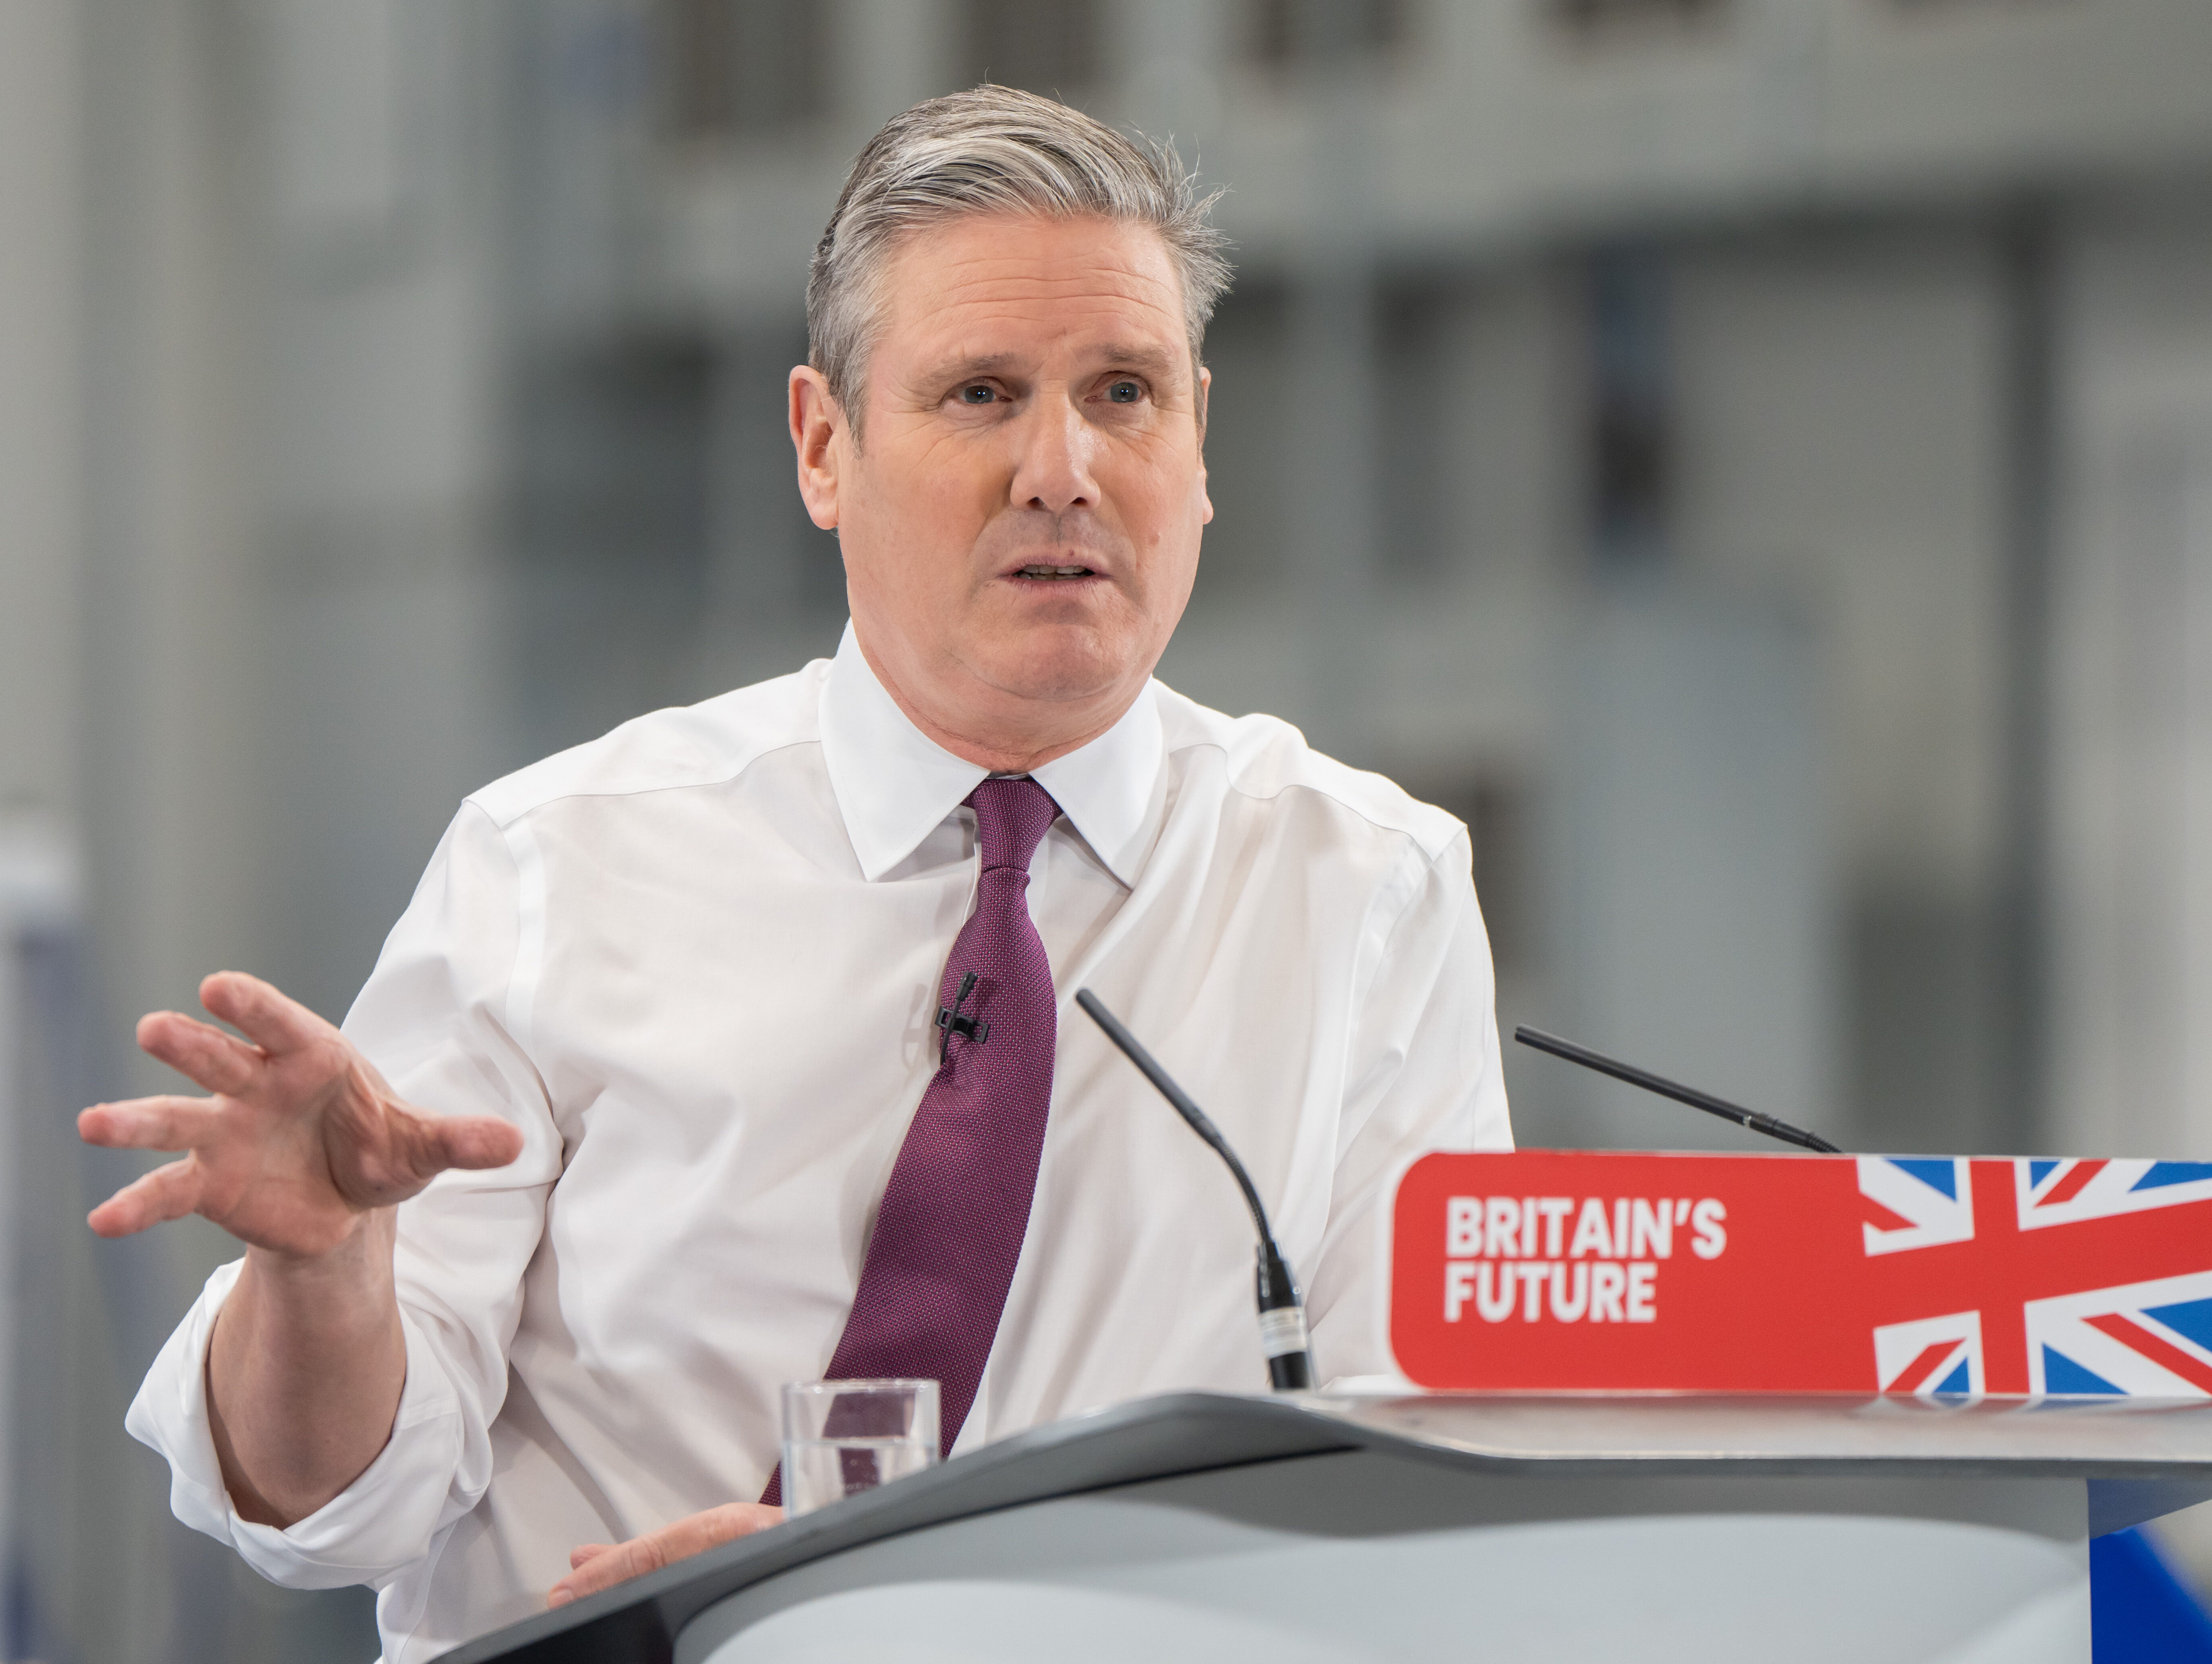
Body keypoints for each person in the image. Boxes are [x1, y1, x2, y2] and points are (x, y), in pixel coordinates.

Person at [80, 85, 1510, 1660]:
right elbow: (327, 1504)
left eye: (1124, 393)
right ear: (822, 448)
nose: (1062, 467)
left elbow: (1414, 1509)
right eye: (978, 395)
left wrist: (912, 1614)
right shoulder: (561, 864)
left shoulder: (1362, 882)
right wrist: (330, 1275)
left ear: (1198, 444)